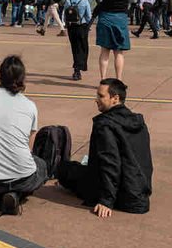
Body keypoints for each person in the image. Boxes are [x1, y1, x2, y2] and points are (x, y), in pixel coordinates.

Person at [56, 79, 153, 216]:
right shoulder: (138, 122)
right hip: (139, 192)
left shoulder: (105, 125)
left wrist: (106, 200)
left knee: (65, 169)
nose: (96, 100)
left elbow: (110, 163)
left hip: (121, 195)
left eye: (101, 96)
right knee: (81, 166)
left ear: (115, 98)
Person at [0, 55, 48, 215]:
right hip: (23, 177)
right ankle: (16, 195)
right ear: (22, 78)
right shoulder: (30, 106)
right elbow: (29, 148)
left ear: (0, 75)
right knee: (41, 166)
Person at [94, 0, 133, 81]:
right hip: (121, 19)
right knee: (119, 52)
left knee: (105, 51)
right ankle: (119, 80)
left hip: (106, 18)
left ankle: (103, 79)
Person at [63, 0, 93, 81]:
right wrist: (89, 26)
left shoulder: (68, 1)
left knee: (75, 48)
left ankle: (77, 70)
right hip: (82, 26)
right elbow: (88, 16)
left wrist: (67, 25)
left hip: (72, 27)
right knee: (83, 48)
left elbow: (65, 16)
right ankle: (80, 66)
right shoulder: (84, 2)